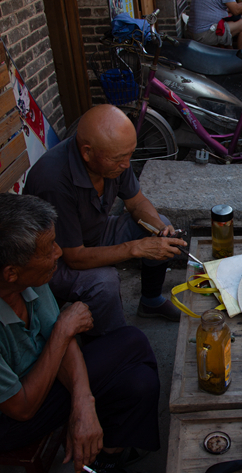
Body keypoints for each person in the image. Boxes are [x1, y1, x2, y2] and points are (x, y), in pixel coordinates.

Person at [0, 194, 163, 473]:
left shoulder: (29, 280)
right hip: (11, 419)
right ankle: (110, 454)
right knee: (132, 343)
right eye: (49, 249)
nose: (59, 253)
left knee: (139, 382)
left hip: (42, 380)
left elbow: (60, 339)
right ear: (11, 272)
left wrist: (83, 404)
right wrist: (63, 331)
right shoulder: (27, 278)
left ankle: (106, 468)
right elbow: (22, 408)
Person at [24, 105, 189, 334]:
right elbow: (75, 258)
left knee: (156, 226)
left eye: (130, 155)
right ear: (87, 152)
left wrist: (160, 229)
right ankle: (110, 344)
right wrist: (136, 248)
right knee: (105, 281)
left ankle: (151, 301)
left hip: (95, 233)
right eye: (119, 159)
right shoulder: (53, 181)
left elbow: (137, 202)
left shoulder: (115, 159)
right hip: (55, 261)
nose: (126, 165)